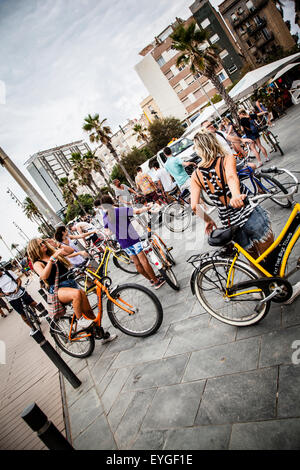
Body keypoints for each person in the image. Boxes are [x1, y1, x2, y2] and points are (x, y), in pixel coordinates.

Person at [190, 129, 275, 260]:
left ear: (199, 149)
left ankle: (265, 279)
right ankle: (275, 278)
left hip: (229, 223)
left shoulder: (196, 175)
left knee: (252, 257)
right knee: (269, 250)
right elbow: (230, 177)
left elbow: (194, 206)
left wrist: (208, 220)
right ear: (214, 143)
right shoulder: (226, 159)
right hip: (247, 212)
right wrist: (236, 196)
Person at [27, 239, 117, 341]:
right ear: (35, 248)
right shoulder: (37, 263)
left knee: (89, 312)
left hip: (71, 283)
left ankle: (102, 335)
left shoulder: (53, 252)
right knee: (76, 294)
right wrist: (52, 259)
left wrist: (57, 244)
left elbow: (70, 251)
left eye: (43, 242)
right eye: (40, 244)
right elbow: (44, 275)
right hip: (58, 289)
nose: (43, 244)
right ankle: (80, 321)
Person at [100, 195, 165, 289]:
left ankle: (151, 279)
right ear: (111, 201)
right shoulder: (120, 210)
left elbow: (108, 232)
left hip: (123, 243)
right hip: (133, 239)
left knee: (137, 263)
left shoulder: (105, 217)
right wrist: (148, 207)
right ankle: (156, 281)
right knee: (144, 261)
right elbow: (137, 211)